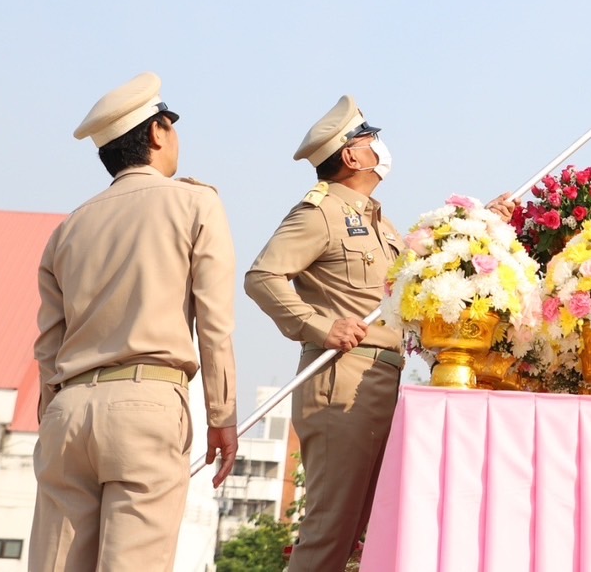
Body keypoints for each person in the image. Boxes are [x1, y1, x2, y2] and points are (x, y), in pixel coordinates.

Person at [245, 96, 513, 572]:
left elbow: (420, 279)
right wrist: (322, 326)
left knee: (357, 532)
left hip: (382, 377)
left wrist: (484, 226)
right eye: (370, 140)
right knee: (329, 530)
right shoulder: (320, 212)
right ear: (351, 156)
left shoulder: (377, 220)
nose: (379, 148)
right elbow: (262, 277)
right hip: (340, 377)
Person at [30, 72, 238, 571]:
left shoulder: (69, 227)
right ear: (156, 132)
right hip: (147, 402)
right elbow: (214, 322)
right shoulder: (194, 202)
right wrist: (221, 415)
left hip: (67, 408)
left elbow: (48, 344)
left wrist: (55, 418)